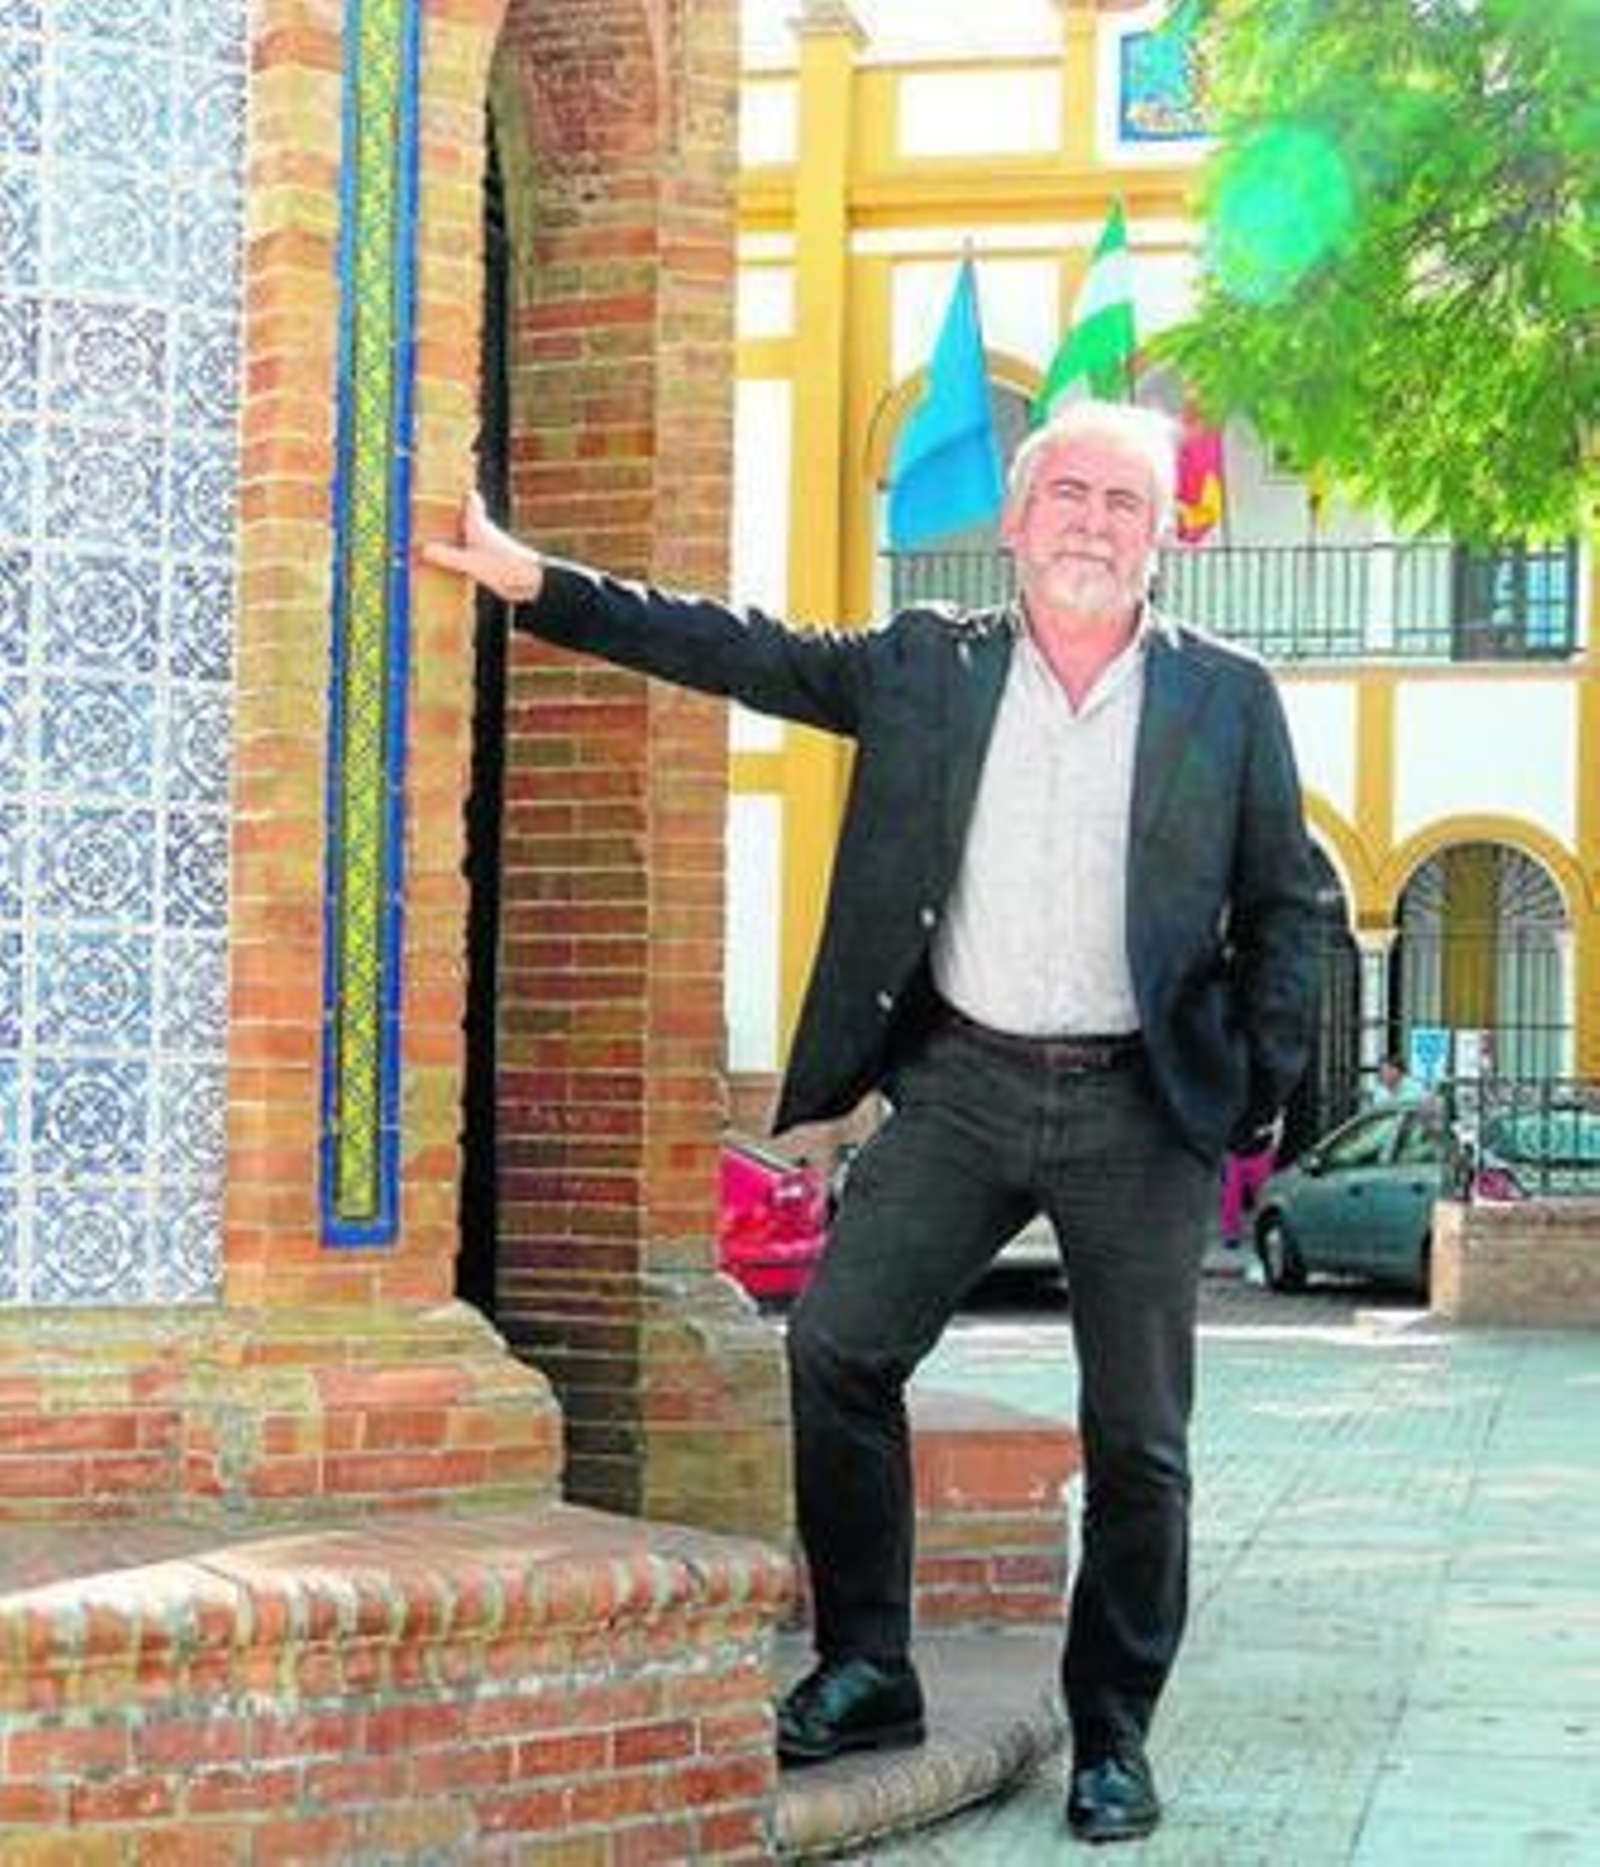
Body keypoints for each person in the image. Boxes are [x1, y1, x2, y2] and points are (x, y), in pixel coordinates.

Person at [424, 399, 1318, 1846]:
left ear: (1164, 535)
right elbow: (745, 646)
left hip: (1140, 1106)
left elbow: (1293, 904)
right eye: (1069, 494)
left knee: (1141, 1436)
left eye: (1125, 504)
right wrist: (546, 584)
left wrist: (1253, 1085)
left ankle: (1112, 1729)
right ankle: (868, 1662)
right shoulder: (927, 666)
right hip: (961, 1082)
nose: (1094, 522)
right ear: (1017, 520)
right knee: (839, 1347)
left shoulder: (1226, 696)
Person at [1218, 1122, 1280, 1255]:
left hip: (1260, 1153)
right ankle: (1231, 1235)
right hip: (1234, 1154)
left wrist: (1271, 1137)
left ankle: (1267, 1233)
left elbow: (1275, 1122)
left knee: (1265, 1197)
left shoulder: (1266, 1105)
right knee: (1231, 1197)